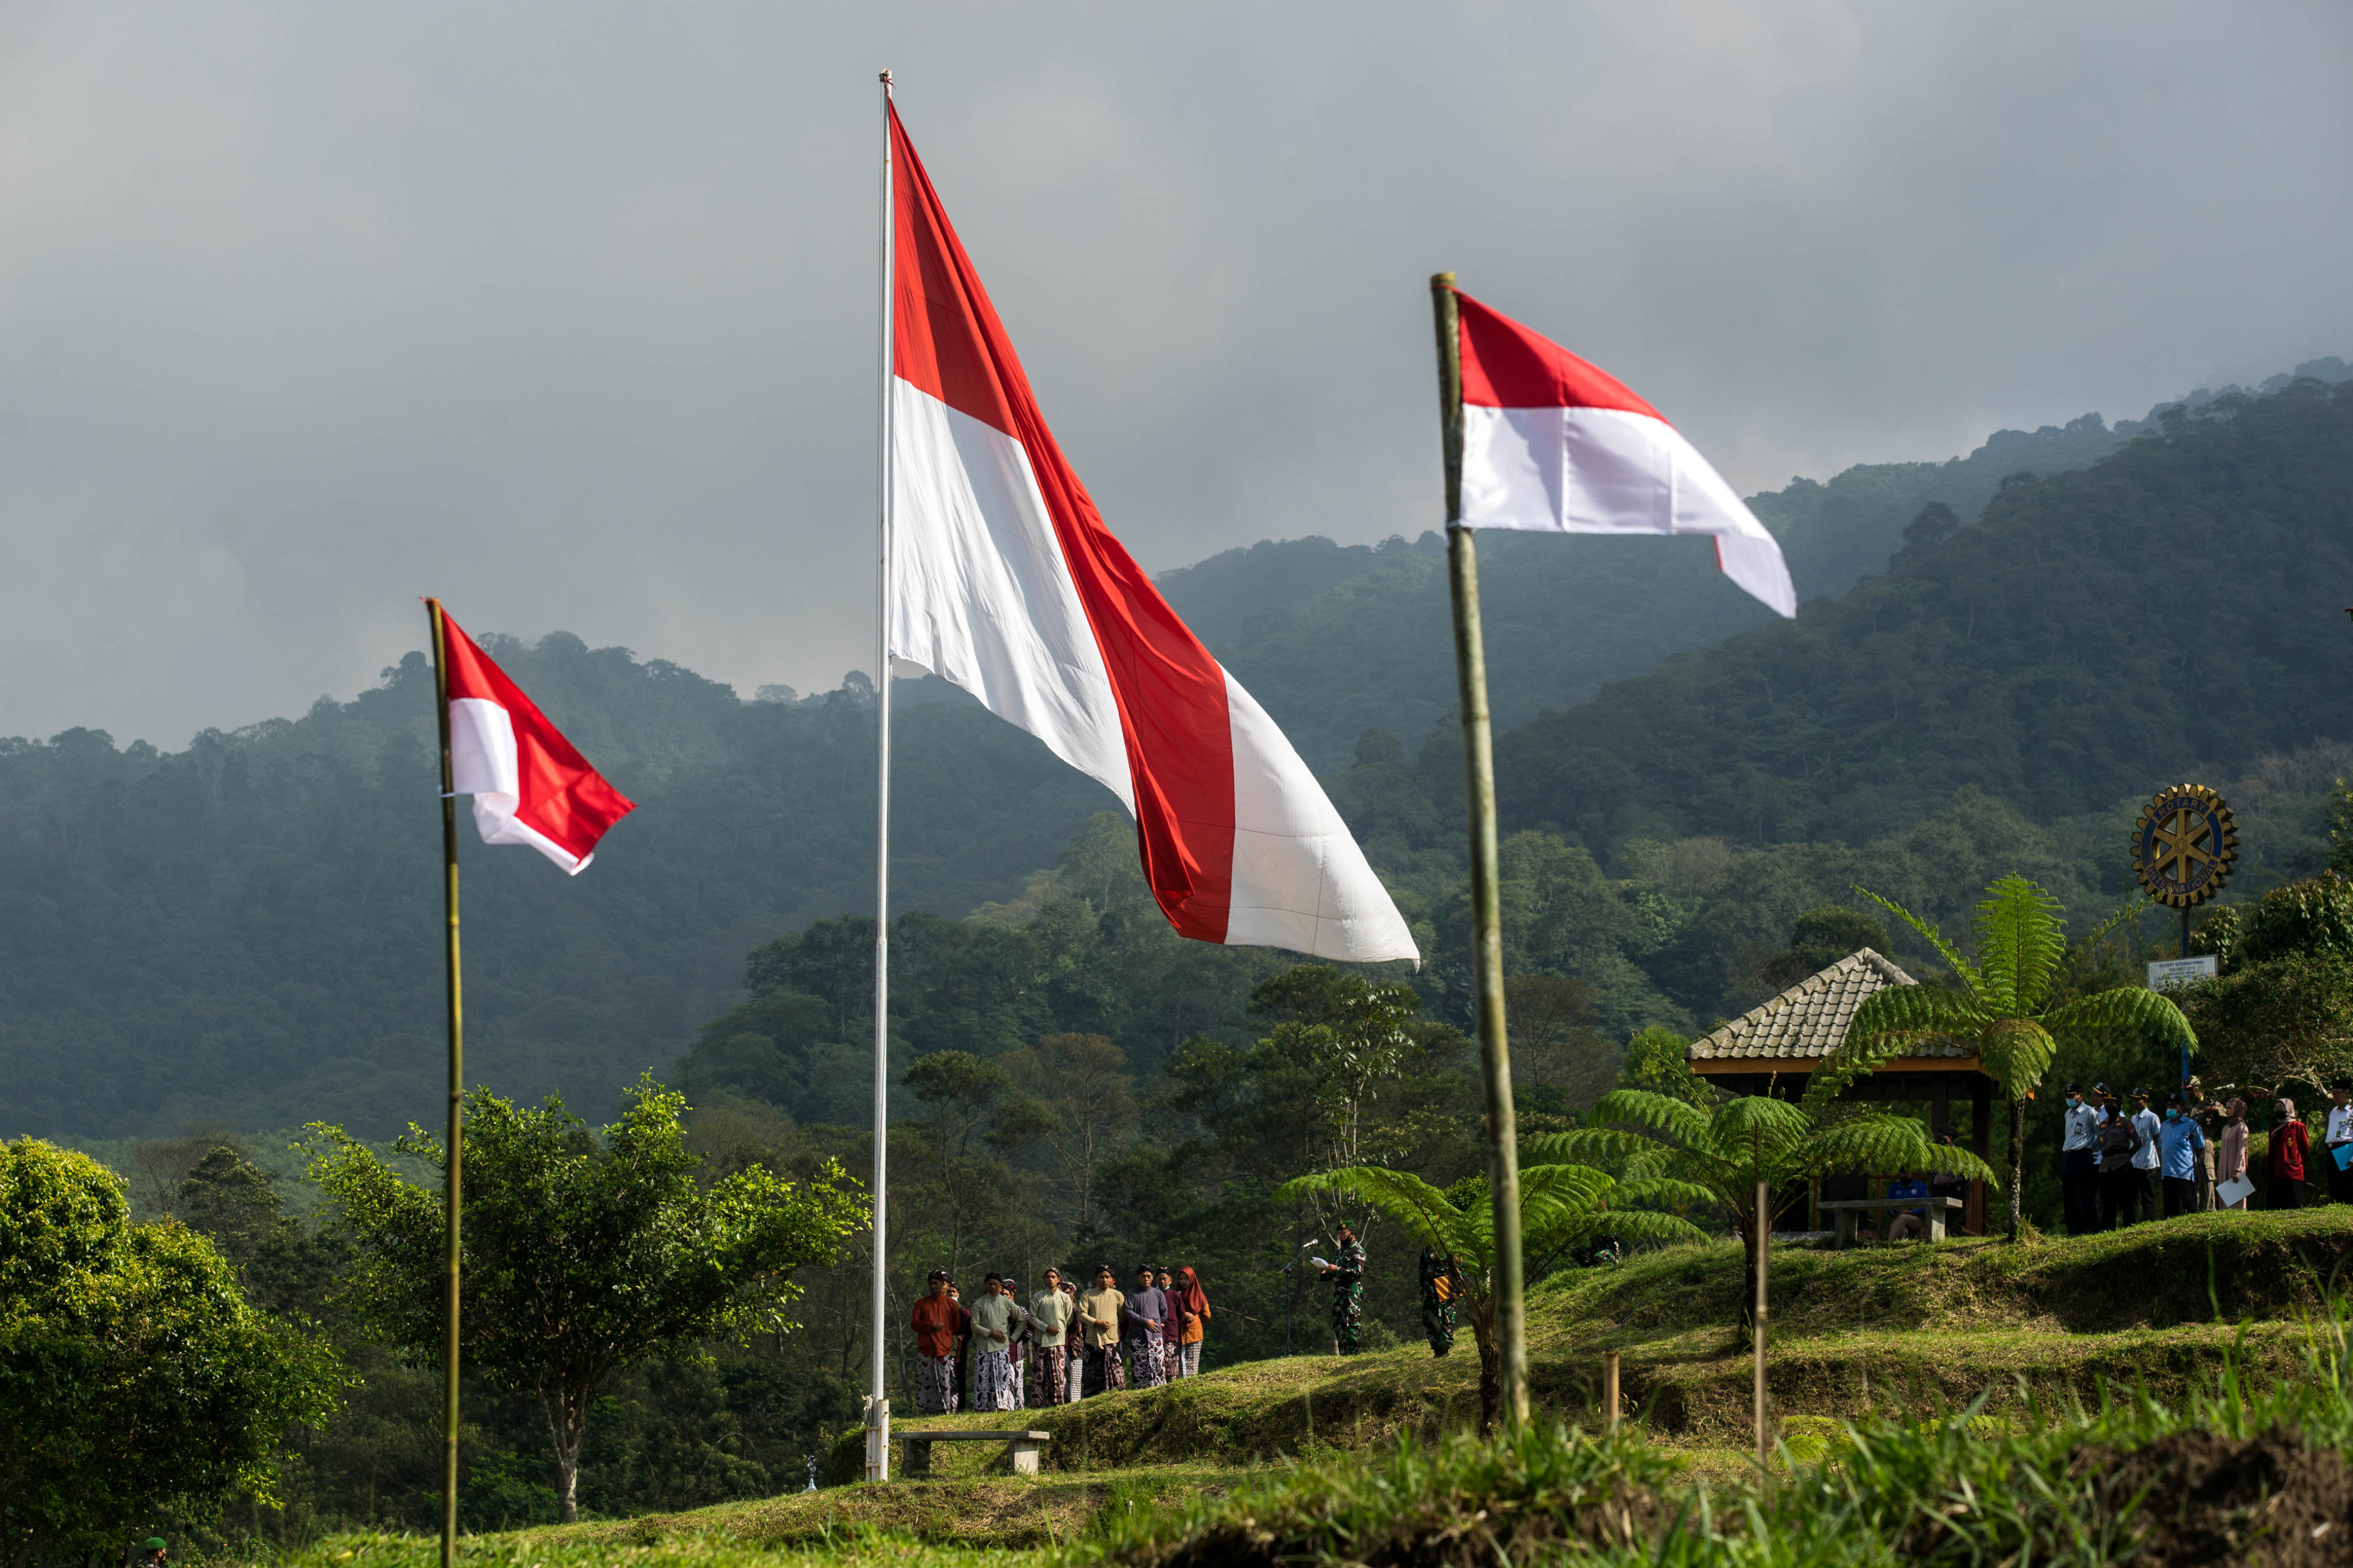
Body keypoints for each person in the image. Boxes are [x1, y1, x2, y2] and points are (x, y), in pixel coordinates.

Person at [909, 1270, 967, 1416]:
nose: (934, 1286)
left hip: (943, 1349)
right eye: (931, 1284)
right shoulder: (921, 1304)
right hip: (925, 1350)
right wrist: (930, 1326)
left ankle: (945, 1410)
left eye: (936, 1283)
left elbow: (957, 1326)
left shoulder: (951, 1305)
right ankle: (923, 1411)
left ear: (943, 1285)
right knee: (924, 1382)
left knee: (944, 1382)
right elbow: (914, 1324)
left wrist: (944, 1334)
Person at [967, 1272, 1025, 1411]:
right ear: (986, 1286)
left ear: (1000, 1286)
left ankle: (1002, 1406)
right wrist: (991, 1333)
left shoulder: (1007, 1303)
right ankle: (982, 1408)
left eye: (996, 1284)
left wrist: (1013, 1339)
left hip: (1002, 1348)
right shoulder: (979, 1303)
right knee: (984, 1379)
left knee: (1002, 1380)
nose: (993, 1287)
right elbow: (974, 1326)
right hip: (984, 1347)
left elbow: (1022, 1320)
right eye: (990, 1284)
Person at [1027, 1268, 1074, 1406]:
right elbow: (1032, 1318)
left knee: (1058, 1375)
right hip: (1040, 1342)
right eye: (1048, 1277)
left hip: (1058, 1342)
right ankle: (1040, 1404)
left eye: (1053, 1277)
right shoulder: (1038, 1297)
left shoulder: (1065, 1298)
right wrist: (1047, 1328)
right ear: (1044, 1280)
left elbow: (1069, 1318)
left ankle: (1058, 1403)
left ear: (1058, 1280)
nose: (1050, 1279)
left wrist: (1058, 1329)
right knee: (1040, 1374)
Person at [2096, 1098, 2144, 1230]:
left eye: (2112, 1104)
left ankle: (2130, 1228)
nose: (2109, 1106)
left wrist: (2128, 1155)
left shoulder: (2126, 1123)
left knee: (2127, 1202)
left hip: (2122, 1167)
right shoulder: (2103, 1124)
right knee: (2107, 1202)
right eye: (2107, 1103)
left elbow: (2138, 1142)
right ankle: (2109, 1229)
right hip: (2106, 1168)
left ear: (2118, 1106)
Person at [1077, 1264, 1125, 1396]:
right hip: (1093, 1340)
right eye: (1101, 1277)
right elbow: (1081, 1314)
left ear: (1112, 1280)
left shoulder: (1118, 1295)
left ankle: (1117, 1396)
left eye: (1107, 1277)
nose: (1104, 1280)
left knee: (1115, 1373)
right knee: (1093, 1374)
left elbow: (1122, 1316)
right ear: (1096, 1279)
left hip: (1112, 1339)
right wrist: (1096, 1322)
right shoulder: (1088, 1295)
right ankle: (1092, 1398)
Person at [2060, 1083, 2101, 1234]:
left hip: (2082, 1155)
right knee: (2069, 1195)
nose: (2070, 1099)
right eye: (2067, 1096)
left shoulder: (2089, 1113)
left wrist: (2091, 1150)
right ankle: (2073, 1230)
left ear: (2080, 1095)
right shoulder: (2068, 1114)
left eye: (2072, 1095)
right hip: (2068, 1155)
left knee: (2084, 1195)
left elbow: (2099, 1134)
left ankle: (2088, 1228)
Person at [2157, 1094, 2207, 1218]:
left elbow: (2200, 1148)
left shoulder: (2191, 1125)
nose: (2170, 1108)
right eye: (2168, 1106)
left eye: (2173, 1106)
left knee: (2190, 1207)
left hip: (2185, 1172)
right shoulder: (2164, 1126)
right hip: (2168, 1172)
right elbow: (2160, 1146)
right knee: (2170, 1210)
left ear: (2181, 1107)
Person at [1320, 1223, 1367, 1354]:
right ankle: (1344, 1355)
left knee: (1351, 1324)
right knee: (1338, 1324)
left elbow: (1358, 1272)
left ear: (1352, 1233)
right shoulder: (1341, 1252)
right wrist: (1325, 1272)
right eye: (1339, 1234)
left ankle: (1353, 1356)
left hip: (1351, 1292)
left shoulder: (1357, 1250)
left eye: (1343, 1233)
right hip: (1339, 1292)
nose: (1340, 1236)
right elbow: (1334, 1271)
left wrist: (1337, 1269)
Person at [1121, 1265, 1167, 1389]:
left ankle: (1159, 1390)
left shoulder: (1158, 1294)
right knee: (1140, 1366)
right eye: (1143, 1277)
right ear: (1138, 1278)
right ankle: (1140, 1392)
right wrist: (1146, 1322)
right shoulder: (1132, 1294)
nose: (1146, 1279)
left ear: (1152, 1278)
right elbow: (1128, 1311)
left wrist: (1155, 1324)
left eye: (1149, 1276)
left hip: (1155, 1336)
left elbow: (1164, 1312)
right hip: (1138, 1336)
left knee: (1158, 1364)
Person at [2128, 1088, 2163, 1225]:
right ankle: (2133, 1223)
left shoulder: (2152, 1118)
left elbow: (2157, 1140)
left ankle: (2150, 1221)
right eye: (2134, 1100)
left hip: (2147, 1161)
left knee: (2147, 1195)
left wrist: (2156, 1160)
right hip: (2135, 1162)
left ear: (2145, 1100)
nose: (2135, 1102)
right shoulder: (2133, 1119)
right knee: (2133, 1196)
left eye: (2138, 1099)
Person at [1418, 1246, 1460, 1355]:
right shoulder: (1427, 1246)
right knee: (1429, 1318)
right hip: (1429, 1286)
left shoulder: (1450, 1243)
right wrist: (1422, 1291)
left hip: (1444, 1284)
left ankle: (1445, 1348)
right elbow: (1422, 1269)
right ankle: (1436, 1348)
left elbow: (1459, 1269)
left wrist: (1457, 1290)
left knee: (1445, 1318)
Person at [1170, 1265, 1211, 1378]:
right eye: (1181, 1279)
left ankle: (1190, 1385)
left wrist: (1195, 1321)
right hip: (1178, 1334)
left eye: (1186, 1279)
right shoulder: (1176, 1294)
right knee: (1178, 1363)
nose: (1183, 1281)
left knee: (1192, 1362)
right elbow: (1171, 1312)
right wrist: (1185, 1315)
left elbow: (1207, 1315)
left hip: (1194, 1335)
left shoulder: (1199, 1295)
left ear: (1192, 1279)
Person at [2269, 1096, 2309, 1210]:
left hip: (2292, 1172)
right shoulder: (2274, 1128)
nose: (2279, 1110)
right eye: (2277, 1108)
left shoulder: (2298, 1126)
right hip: (2275, 1171)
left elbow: (2304, 1149)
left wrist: (2297, 1164)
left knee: (2293, 1206)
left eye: (2282, 1107)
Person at [2215, 1098, 2251, 1209]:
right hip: (2224, 1167)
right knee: (2224, 1202)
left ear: (2238, 1110)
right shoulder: (2225, 1128)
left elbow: (2242, 1150)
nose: (2227, 1110)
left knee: (2236, 1202)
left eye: (2230, 1108)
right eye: (2227, 1107)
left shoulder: (2242, 1128)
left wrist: (2237, 1170)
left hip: (2234, 1168)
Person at [2326, 1082, 2353, 1205]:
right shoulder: (2334, 1112)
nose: (2335, 1097)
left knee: (2347, 1184)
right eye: (2333, 1093)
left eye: (2338, 1093)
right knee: (2334, 1183)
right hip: (2332, 1149)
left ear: (2347, 1093)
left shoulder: (2351, 1111)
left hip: (2346, 1149)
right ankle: (2335, 1206)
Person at [1155, 1268, 1184, 1382]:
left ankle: (1173, 1386)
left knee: (1172, 1363)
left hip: (1172, 1334)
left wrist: (1174, 1325)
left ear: (1170, 1281)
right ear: (1155, 1280)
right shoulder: (1153, 1294)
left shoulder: (1175, 1295)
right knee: (1158, 1363)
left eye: (1165, 1279)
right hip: (1156, 1334)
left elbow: (1181, 1314)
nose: (1162, 1282)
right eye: (1160, 1279)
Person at [1886, 1171, 1931, 1240]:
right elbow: (1887, 1205)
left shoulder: (1921, 1187)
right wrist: (1892, 1212)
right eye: (1901, 1177)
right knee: (1903, 1231)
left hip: (1916, 1220)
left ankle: (1889, 1244)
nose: (1904, 1179)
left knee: (1903, 1218)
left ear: (1912, 1175)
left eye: (1906, 1177)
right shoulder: (1894, 1188)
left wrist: (1911, 1212)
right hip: (1897, 1219)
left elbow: (1926, 1206)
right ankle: (1900, 1248)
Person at [1061, 1276, 1085, 1403]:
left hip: (1076, 1348)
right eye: (1064, 1294)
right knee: (1062, 1378)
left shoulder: (1078, 1309)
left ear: (1073, 1295)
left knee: (1076, 1377)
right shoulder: (1058, 1309)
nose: (1066, 1297)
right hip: (1061, 1346)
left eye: (1069, 1294)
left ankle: (1075, 1404)